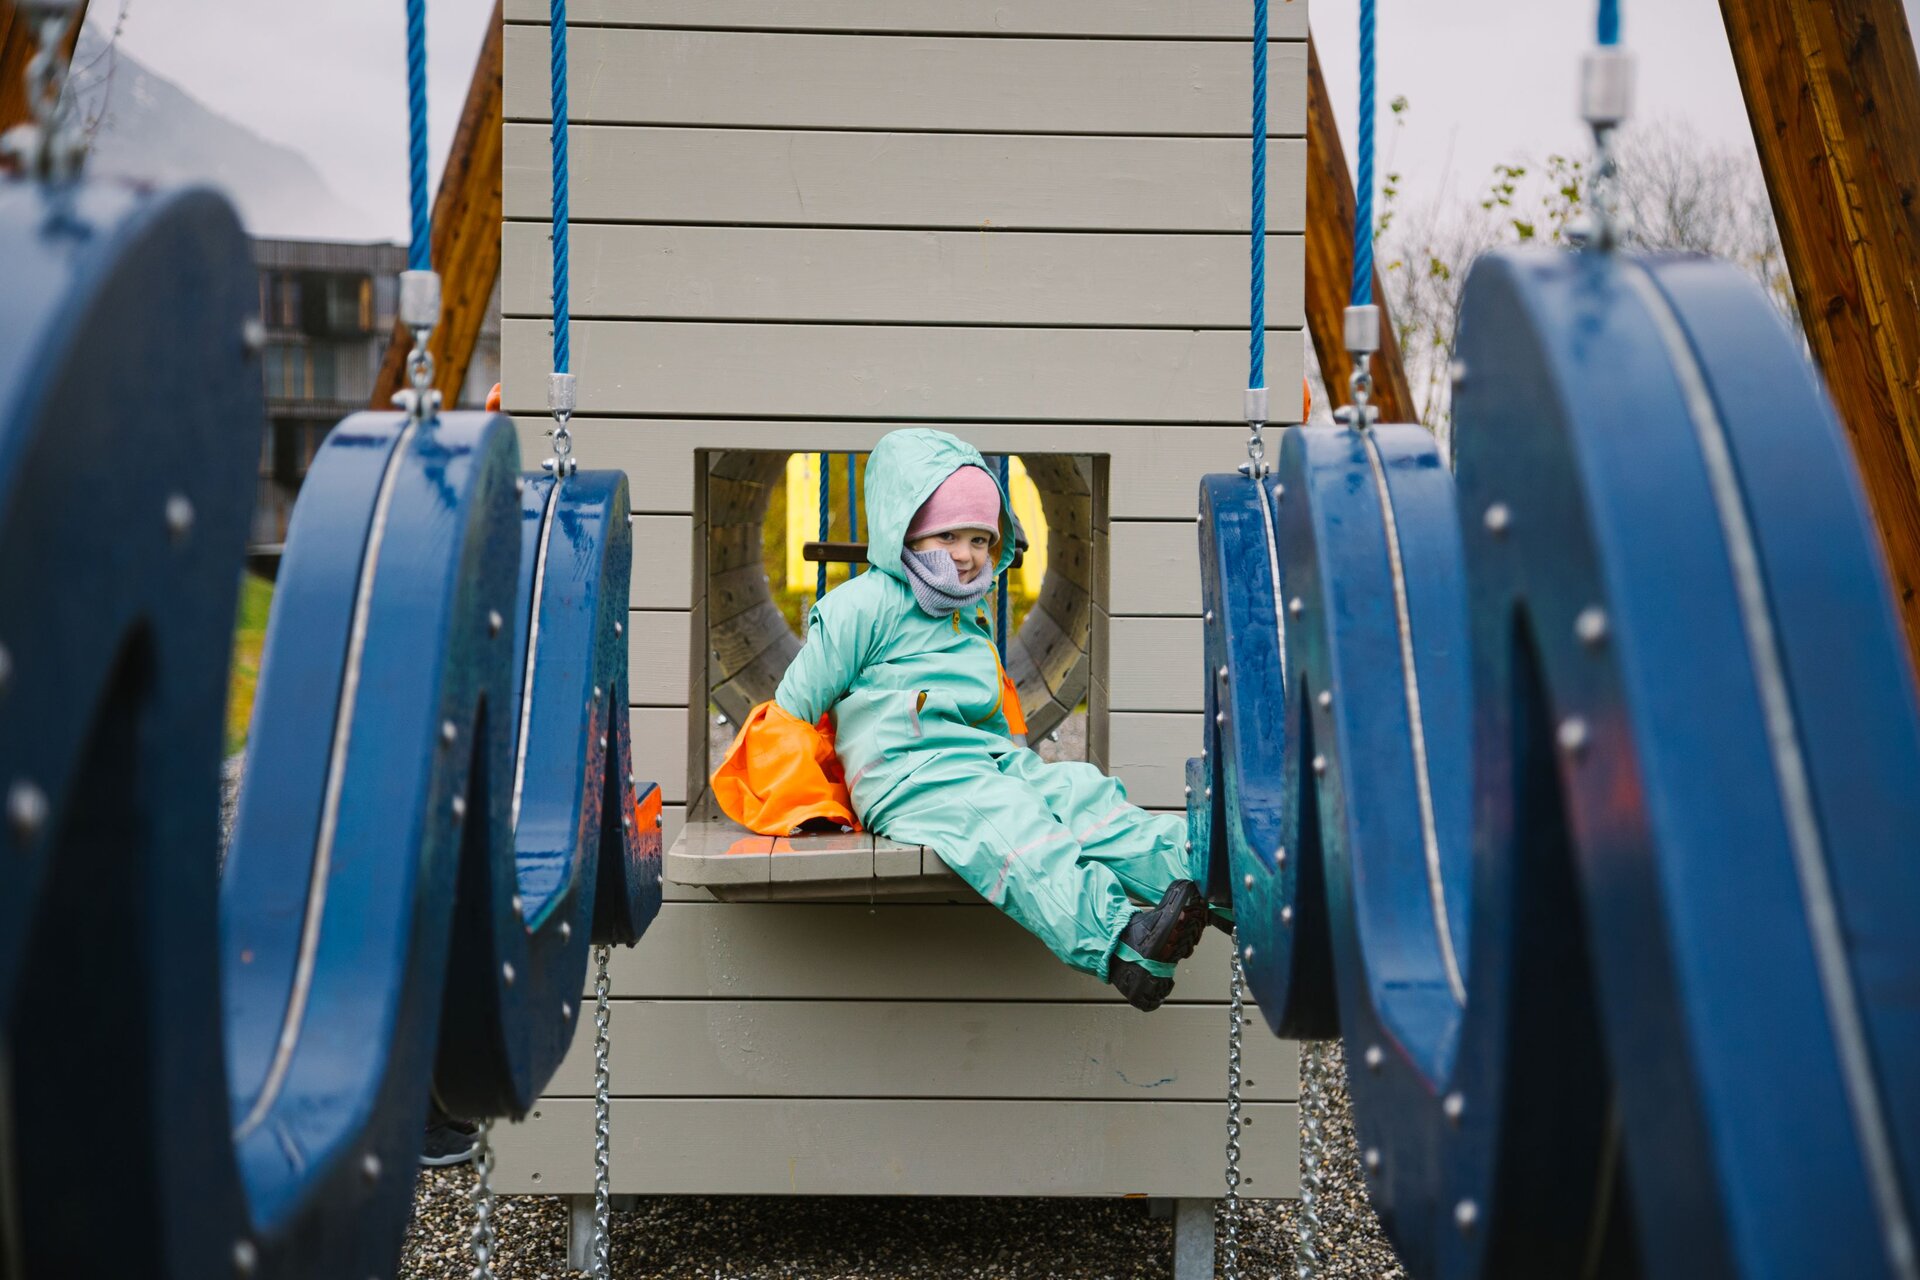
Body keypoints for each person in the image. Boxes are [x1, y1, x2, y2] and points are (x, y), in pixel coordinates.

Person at [713, 429, 1217, 1010]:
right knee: (1003, 821)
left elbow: (993, 711)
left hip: (980, 760)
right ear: (904, 530)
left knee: (1077, 793)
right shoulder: (860, 608)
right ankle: (1120, 940)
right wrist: (811, 805)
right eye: (947, 535)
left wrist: (1021, 767)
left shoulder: (967, 616)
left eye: (980, 539)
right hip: (908, 775)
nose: (965, 554)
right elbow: (794, 707)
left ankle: (1206, 872)